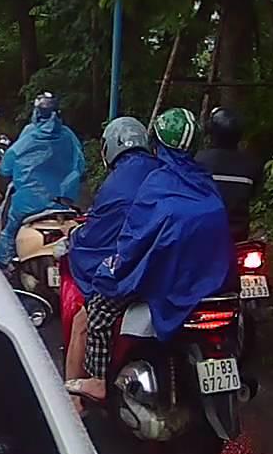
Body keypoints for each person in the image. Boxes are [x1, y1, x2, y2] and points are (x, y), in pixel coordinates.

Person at [66, 108, 234, 403]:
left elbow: (135, 240)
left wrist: (111, 269)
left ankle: (98, 380)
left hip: (165, 276)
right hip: (206, 278)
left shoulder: (158, 183)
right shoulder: (205, 182)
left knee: (99, 311)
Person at [62, 118, 160, 407]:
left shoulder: (116, 184)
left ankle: (75, 403)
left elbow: (99, 234)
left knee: (86, 319)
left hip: (137, 270)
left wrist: (76, 238)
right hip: (176, 270)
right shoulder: (167, 173)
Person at [0, 92, 86, 267]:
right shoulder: (68, 135)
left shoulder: (30, 133)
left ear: (36, 112)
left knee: (9, 232)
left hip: (28, 203)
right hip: (62, 203)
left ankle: (2, 268)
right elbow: (80, 166)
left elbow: (7, 165)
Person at [196, 106, 265, 241]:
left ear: (211, 133)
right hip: (238, 235)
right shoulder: (252, 165)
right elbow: (255, 195)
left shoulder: (198, 161)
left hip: (204, 232)